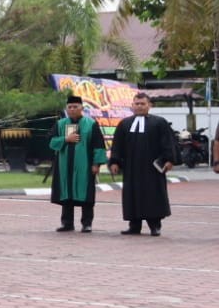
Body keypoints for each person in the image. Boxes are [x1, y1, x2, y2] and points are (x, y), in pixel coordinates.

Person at [109, 91, 178, 235]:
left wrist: (170, 160)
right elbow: (117, 145)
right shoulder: (124, 124)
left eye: (143, 104)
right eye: (137, 104)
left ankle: (155, 225)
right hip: (131, 168)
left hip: (152, 168)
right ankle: (134, 225)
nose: (139, 107)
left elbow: (168, 143)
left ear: (149, 105)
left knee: (153, 195)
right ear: (132, 105)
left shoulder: (159, 122)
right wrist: (114, 162)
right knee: (131, 195)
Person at [49, 94, 106, 233]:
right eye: (70, 107)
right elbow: (51, 142)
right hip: (64, 166)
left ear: (82, 108)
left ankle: (87, 224)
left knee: (86, 196)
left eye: (75, 106)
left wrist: (96, 164)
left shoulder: (91, 124)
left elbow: (98, 145)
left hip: (84, 166)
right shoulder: (60, 124)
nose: (73, 109)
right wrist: (65, 139)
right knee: (67, 195)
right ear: (66, 109)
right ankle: (67, 223)